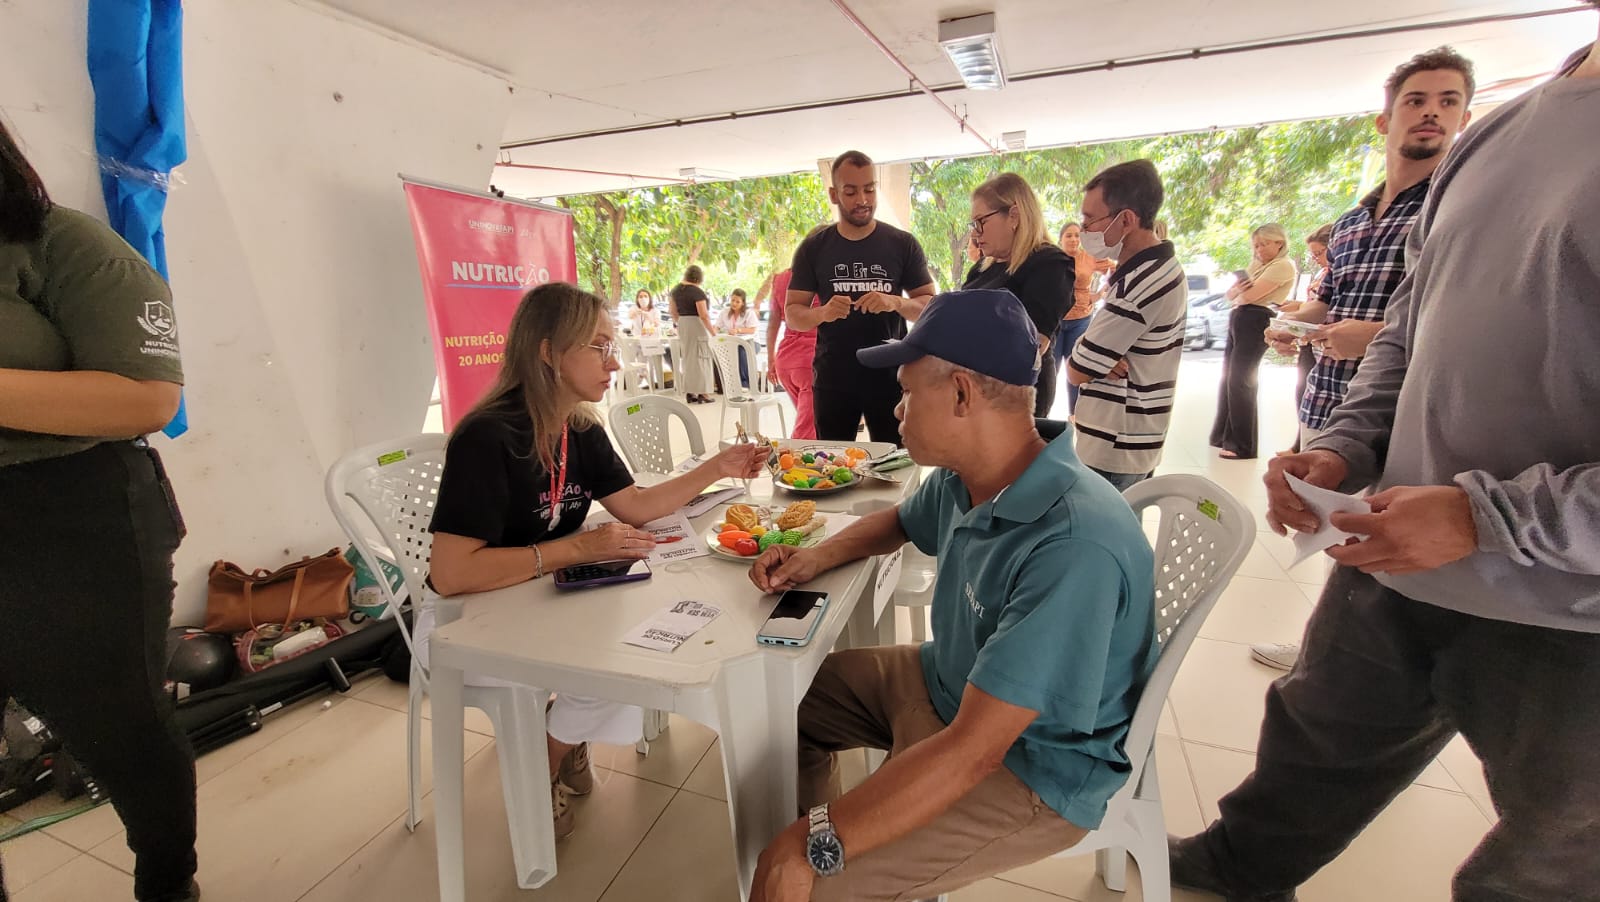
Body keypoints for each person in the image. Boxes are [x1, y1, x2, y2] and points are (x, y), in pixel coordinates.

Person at [1170, 33, 1600, 901]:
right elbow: (1411, 329)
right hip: (1391, 561)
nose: (1432, 115)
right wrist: (1344, 446)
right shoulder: (1499, 134)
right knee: (1312, 739)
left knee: (1553, 855)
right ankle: (1236, 869)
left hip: (1571, 613)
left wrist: (1489, 518)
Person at [745, 289, 1156, 902]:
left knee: (810, 878)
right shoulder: (972, 476)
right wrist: (815, 557)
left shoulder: (1072, 544)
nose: (897, 409)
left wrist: (814, 842)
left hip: (1029, 765)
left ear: (962, 393)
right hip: (947, 684)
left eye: (908, 393)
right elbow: (900, 522)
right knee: (782, 706)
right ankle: (837, 839)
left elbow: (974, 751)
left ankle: (829, 868)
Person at [422, 282, 766, 839]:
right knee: (607, 654)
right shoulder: (488, 437)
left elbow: (634, 506)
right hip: (474, 617)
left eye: (613, 348)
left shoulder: (580, 427)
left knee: (633, 639)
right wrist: (577, 549)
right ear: (547, 352)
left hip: (543, 594)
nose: (614, 362)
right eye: (598, 347)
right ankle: (546, 759)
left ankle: (559, 740)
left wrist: (716, 469)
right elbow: (453, 573)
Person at [0, 119, 198, 902]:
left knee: (120, 725)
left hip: (73, 510)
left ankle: (166, 877)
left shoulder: (57, 243)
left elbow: (147, 396)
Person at [1245, 49, 1475, 673]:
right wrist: (1294, 326)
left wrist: (1367, 337)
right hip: (1327, 401)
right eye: (1416, 101)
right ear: (1386, 119)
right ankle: (1328, 646)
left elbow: (1447, 325)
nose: (1431, 114)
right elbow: (1331, 303)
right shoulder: (1351, 222)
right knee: (1327, 525)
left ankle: (1349, 659)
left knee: (1382, 544)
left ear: (1466, 117)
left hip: (1401, 420)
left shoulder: (1454, 211)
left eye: (1447, 102)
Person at [787, 150, 936, 446]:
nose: (863, 200)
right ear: (833, 194)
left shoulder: (902, 244)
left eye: (869, 189)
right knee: (833, 466)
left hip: (890, 376)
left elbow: (929, 307)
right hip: (833, 379)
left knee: (895, 465)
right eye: (851, 191)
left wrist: (895, 302)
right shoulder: (814, 248)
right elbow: (793, 313)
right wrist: (823, 313)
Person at [1065, 160, 1189, 492]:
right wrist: (1096, 356)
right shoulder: (1153, 269)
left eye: (1091, 219)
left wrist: (1091, 356)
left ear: (1127, 220)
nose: (1084, 228)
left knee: (1105, 539)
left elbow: (1077, 369)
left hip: (1116, 446)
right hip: (1131, 436)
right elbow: (1088, 359)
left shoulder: (1143, 283)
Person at [960, 173, 1076, 417]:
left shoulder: (1050, 264)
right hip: (973, 389)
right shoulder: (984, 267)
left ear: (1013, 215)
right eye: (973, 224)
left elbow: (1032, 346)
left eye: (981, 221)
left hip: (1015, 397)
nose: (975, 232)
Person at [1209, 223, 1297, 459]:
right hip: (1240, 317)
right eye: (1256, 245)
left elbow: (1248, 296)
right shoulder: (1258, 266)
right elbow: (1230, 296)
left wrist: (1239, 293)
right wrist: (1237, 292)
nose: (1258, 249)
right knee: (1228, 377)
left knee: (1241, 380)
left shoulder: (1283, 266)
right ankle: (1222, 435)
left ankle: (1242, 445)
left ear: (1279, 242)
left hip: (1257, 319)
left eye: (1264, 244)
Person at [1278, 225, 1333, 455]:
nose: (1316, 258)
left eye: (1319, 252)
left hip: (1329, 344)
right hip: (1309, 339)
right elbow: (1315, 305)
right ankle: (1300, 444)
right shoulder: (1322, 274)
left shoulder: (1338, 273)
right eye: (1313, 254)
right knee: (1304, 391)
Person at [1054, 221, 1116, 414]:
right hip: (1055, 322)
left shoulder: (1088, 257)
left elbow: (1115, 269)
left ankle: (1076, 416)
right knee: (1050, 372)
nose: (1073, 239)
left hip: (1080, 321)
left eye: (1077, 235)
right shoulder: (1052, 258)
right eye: (1069, 235)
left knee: (1076, 371)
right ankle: (1041, 417)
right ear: (1061, 239)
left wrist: (1098, 295)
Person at [766, 266, 819, 439]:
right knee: (805, 433)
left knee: (813, 425)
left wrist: (770, 360)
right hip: (811, 362)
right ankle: (790, 464)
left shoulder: (780, 279)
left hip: (786, 361)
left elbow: (773, 323)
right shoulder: (823, 276)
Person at [669, 264, 716, 403]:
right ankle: (703, 393)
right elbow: (704, 315)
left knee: (688, 358)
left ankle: (690, 392)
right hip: (696, 324)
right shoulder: (697, 292)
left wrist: (680, 323)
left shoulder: (675, 291)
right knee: (702, 357)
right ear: (698, 278)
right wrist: (713, 333)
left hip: (683, 324)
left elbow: (672, 311)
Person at [716, 287, 760, 390]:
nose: (734, 303)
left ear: (743, 303)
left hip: (752, 343)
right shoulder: (725, 312)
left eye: (737, 301)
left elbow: (752, 330)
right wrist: (712, 332)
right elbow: (717, 326)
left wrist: (738, 330)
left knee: (741, 351)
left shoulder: (749, 313)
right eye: (732, 300)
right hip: (732, 344)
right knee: (719, 351)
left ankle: (745, 383)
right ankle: (723, 385)